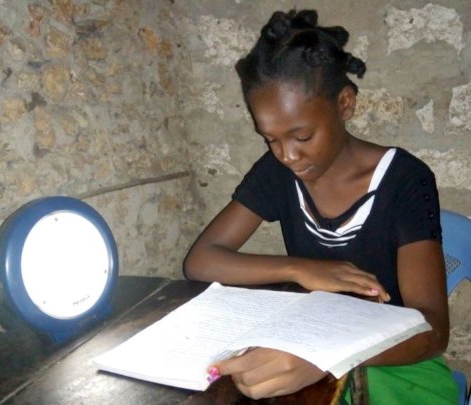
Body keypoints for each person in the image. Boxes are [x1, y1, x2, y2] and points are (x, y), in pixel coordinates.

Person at [183, 9, 458, 404]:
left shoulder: (404, 180)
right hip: (307, 341)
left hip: (395, 359)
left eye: (302, 135)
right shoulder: (278, 174)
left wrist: (327, 359)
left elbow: (431, 331)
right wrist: (301, 268)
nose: (288, 155)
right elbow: (201, 260)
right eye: (270, 139)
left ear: (345, 104)